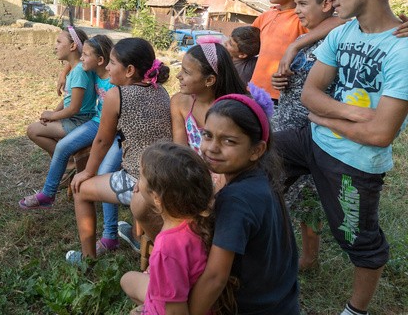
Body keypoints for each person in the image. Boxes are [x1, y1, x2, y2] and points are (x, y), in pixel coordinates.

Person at [274, 0, 408, 315]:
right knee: (254, 154)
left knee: (358, 241)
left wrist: (325, 119)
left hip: (355, 161)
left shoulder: (402, 49)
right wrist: (356, 114)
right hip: (312, 141)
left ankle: (355, 310)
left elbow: (381, 135)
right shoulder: (345, 30)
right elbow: (309, 94)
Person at [189, 95, 299, 315]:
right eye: (207, 135)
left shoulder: (236, 199)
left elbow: (215, 278)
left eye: (229, 141)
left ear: (256, 150)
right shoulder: (262, 177)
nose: (212, 148)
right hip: (283, 303)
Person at [66, 38, 172, 262]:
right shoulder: (161, 91)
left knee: (80, 189)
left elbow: (103, 141)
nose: (107, 67)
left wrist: (87, 172)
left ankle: (87, 259)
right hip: (167, 178)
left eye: (112, 63)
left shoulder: (117, 95)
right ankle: (129, 236)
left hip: (139, 182)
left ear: (130, 70)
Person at [19, 36, 123, 245]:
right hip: (96, 123)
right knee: (64, 146)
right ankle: (48, 194)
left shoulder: (115, 80)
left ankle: (110, 235)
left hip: (116, 131)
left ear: (101, 61)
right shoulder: (91, 70)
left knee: (106, 175)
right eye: (82, 54)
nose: (82, 58)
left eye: (86, 55)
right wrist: (63, 72)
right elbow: (74, 62)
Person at [270, 0, 334, 271]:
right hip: (285, 126)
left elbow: (347, 18)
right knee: (280, 193)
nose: (296, 10)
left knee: (308, 198)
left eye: (303, 4)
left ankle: (308, 259)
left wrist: (296, 44)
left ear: (327, 4)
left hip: (311, 133)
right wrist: (280, 80)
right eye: (295, 4)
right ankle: (282, 252)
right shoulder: (310, 40)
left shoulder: (339, 35)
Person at [120, 142, 213, 315]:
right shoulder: (199, 218)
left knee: (129, 285)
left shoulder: (167, 249)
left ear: (156, 198)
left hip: (173, 307)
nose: (137, 183)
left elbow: (175, 312)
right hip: (193, 297)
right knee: (127, 280)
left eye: (140, 176)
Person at [250, 0, 342, 103]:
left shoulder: (304, 19)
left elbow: (341, 19)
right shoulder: (266, 16)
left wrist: (294, 46)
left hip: (280, 97)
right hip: (254, 91)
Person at [170, 40, 248, 193]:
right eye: (181, 69)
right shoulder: (179, 102)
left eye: (186, 72)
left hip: (230, 176)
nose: (179, 76)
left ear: (209, 80)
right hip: (193, 174)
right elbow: (180, 152)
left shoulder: (234, 109)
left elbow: (239, 159)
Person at [26, 26, 95, 157]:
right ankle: (65, 159)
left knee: (33, 130)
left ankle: (66, 161)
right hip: (77, 118)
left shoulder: (78, 72)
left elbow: (74, 108)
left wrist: (52, 116)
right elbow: (69, 98)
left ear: (73, 46)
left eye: (59, 42)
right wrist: (54, 113)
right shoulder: (78, 67)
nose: (55, 46)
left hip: (78, 121)